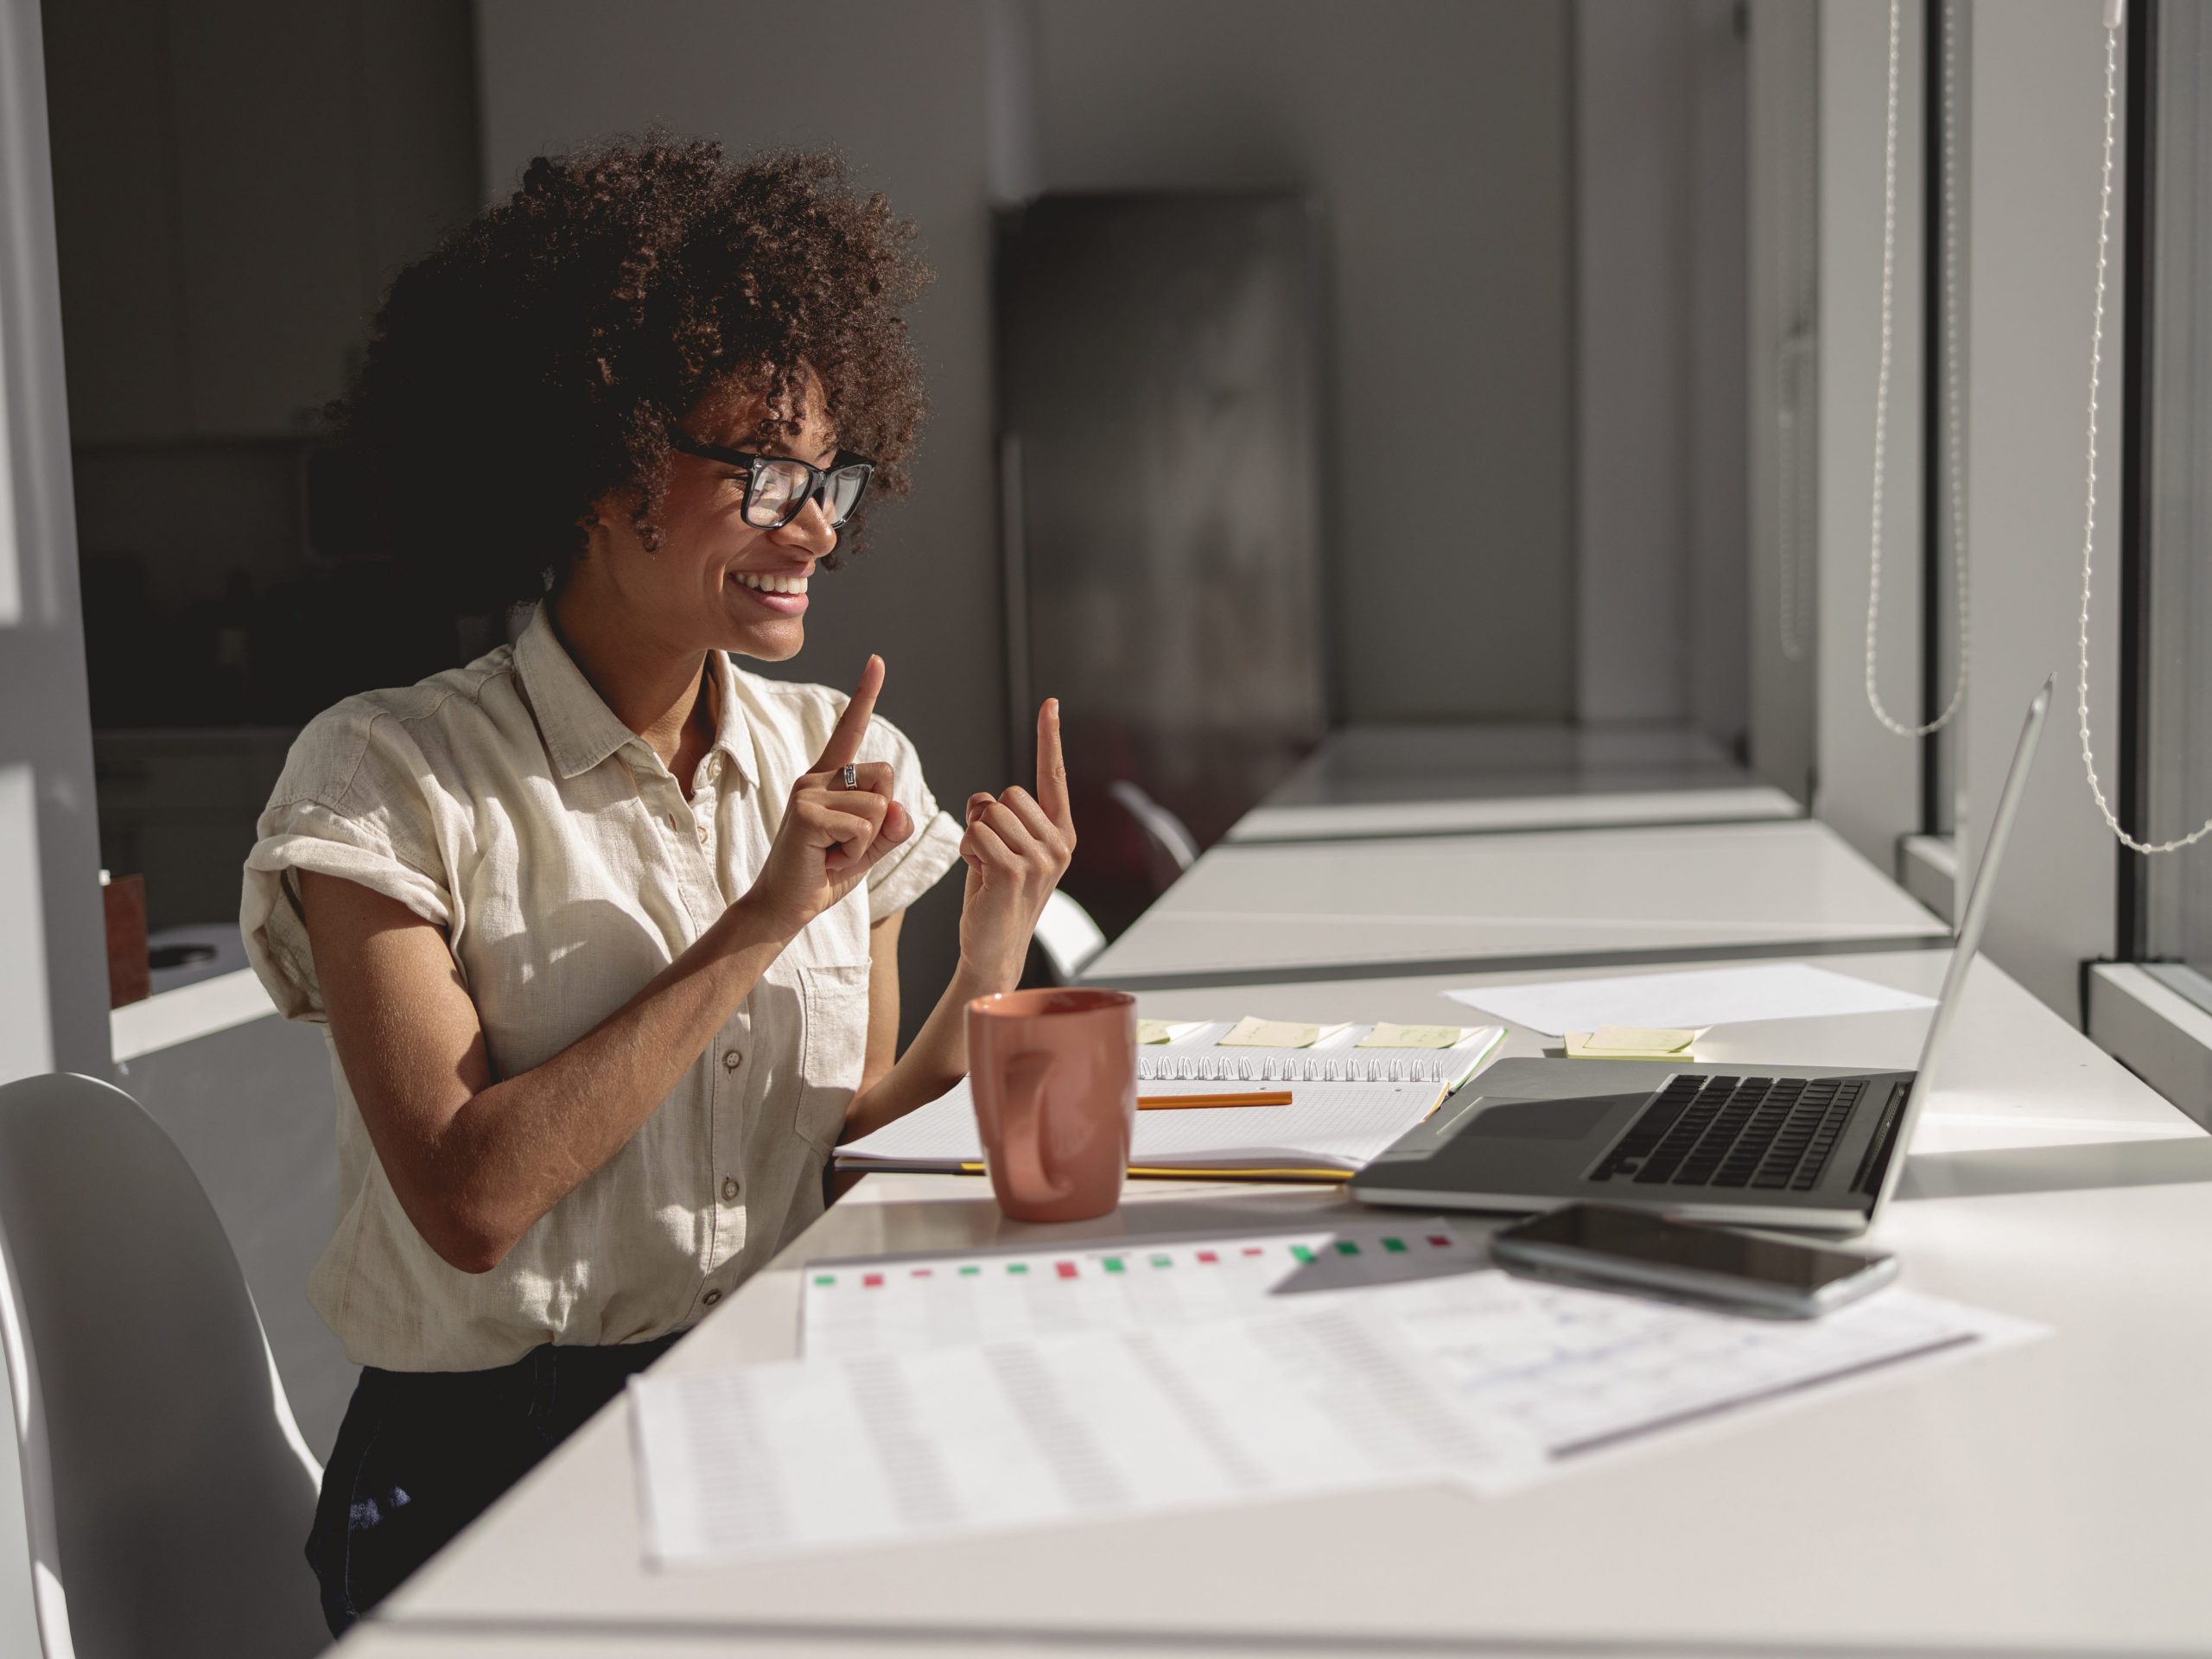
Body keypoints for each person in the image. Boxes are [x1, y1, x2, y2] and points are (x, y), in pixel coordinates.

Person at [239, 138, 1074, 1634]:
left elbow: (841, 1146)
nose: (815, 525)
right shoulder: (385, 776)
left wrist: (988, 965)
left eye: (829, 476)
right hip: (484, 1472)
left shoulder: (845, 753)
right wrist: (760, 924)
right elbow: (471, 1199)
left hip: (772, 1414)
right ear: (596, 465)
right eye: (761, 471)